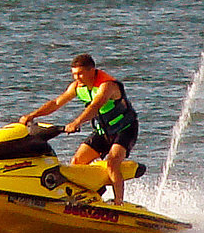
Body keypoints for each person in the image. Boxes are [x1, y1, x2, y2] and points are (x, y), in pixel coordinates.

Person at [19, 53, 139, 204]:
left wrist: (76, 123)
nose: (77, 77)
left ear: (92, 70)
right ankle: (88, 197)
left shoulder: (107, 85)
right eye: (74, 74)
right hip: (103, 131)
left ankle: (119, 203)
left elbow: (95, 106)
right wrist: (32, 116)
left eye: (80, 73)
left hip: (125, 129)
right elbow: (56, 103)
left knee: (112, 162)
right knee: (77, 162)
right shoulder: (77, 87)